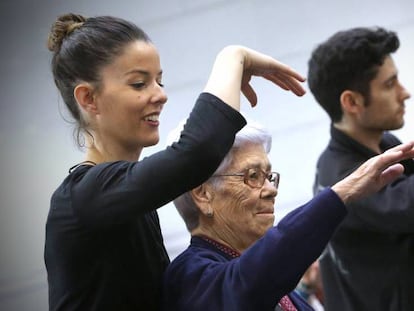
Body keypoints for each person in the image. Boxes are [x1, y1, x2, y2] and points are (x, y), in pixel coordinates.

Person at [44, 13, 307, 311]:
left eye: (159, 81)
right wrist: (234, 57)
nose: (161, 95)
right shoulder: (84, 196)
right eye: (140, 83)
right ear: (89, 99)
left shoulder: (125, 200)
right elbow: (197, 153)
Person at [162, 120, 414, 311]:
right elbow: (251, 281)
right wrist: (341, 193)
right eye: (252, 176)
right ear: (203, 194)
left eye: (269, 176)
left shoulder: (274, 285)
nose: (271, 189)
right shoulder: (190, 276)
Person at [307, 26, 413, 310]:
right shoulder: (343, 177)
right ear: (352, 102)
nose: (405, 94)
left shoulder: (385, 143)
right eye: (390, 85)